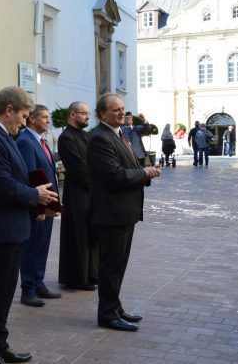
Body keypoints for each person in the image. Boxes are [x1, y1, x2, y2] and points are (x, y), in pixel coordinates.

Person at [0, 86, 58, 364]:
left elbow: (17, 177)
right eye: (23, 116)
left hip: (10, 228)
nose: (23, 122)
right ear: (9, 110)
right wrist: (35, 195)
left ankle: (0, 344)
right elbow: (2, 184)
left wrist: (40, 199)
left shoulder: (3, 136)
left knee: (4, 294)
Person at [88, 93, 161, 332]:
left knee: (119, 265)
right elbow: (114, 174)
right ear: (102, 114)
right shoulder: (100, 137)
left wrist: (145, 171)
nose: (121, 112)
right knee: (111, 266)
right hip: (112, 213)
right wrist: (144, 173)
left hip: (124, 211)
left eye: (122, 108)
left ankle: (115, 307)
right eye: (115, 109)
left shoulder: (119, 133)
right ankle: (107, 314)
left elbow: (130, 165)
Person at [17, 105, 62, 307]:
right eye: (44, 117)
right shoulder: (26, 141)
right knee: (32, 247)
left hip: (47, 203)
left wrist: (53, 203)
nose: (48, 121)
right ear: (32, 119)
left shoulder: (41, 141)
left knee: (42, 245)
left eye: (48, 117)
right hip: (37, 204)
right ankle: (28, 289)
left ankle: (38, 283)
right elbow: (30, 176)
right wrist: (39, 207)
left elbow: (49, 172)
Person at [57, 101, 98, 291]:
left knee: (90, 234)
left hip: (90, 192)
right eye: (84, 113)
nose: (88, 116)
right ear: (73, 115)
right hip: (77, 193)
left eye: (88, 113)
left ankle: (91, 274)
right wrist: (97, 184)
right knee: (78, 234)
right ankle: (78, 278)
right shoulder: (66, 138)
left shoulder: (85, 135)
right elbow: (79, 168)